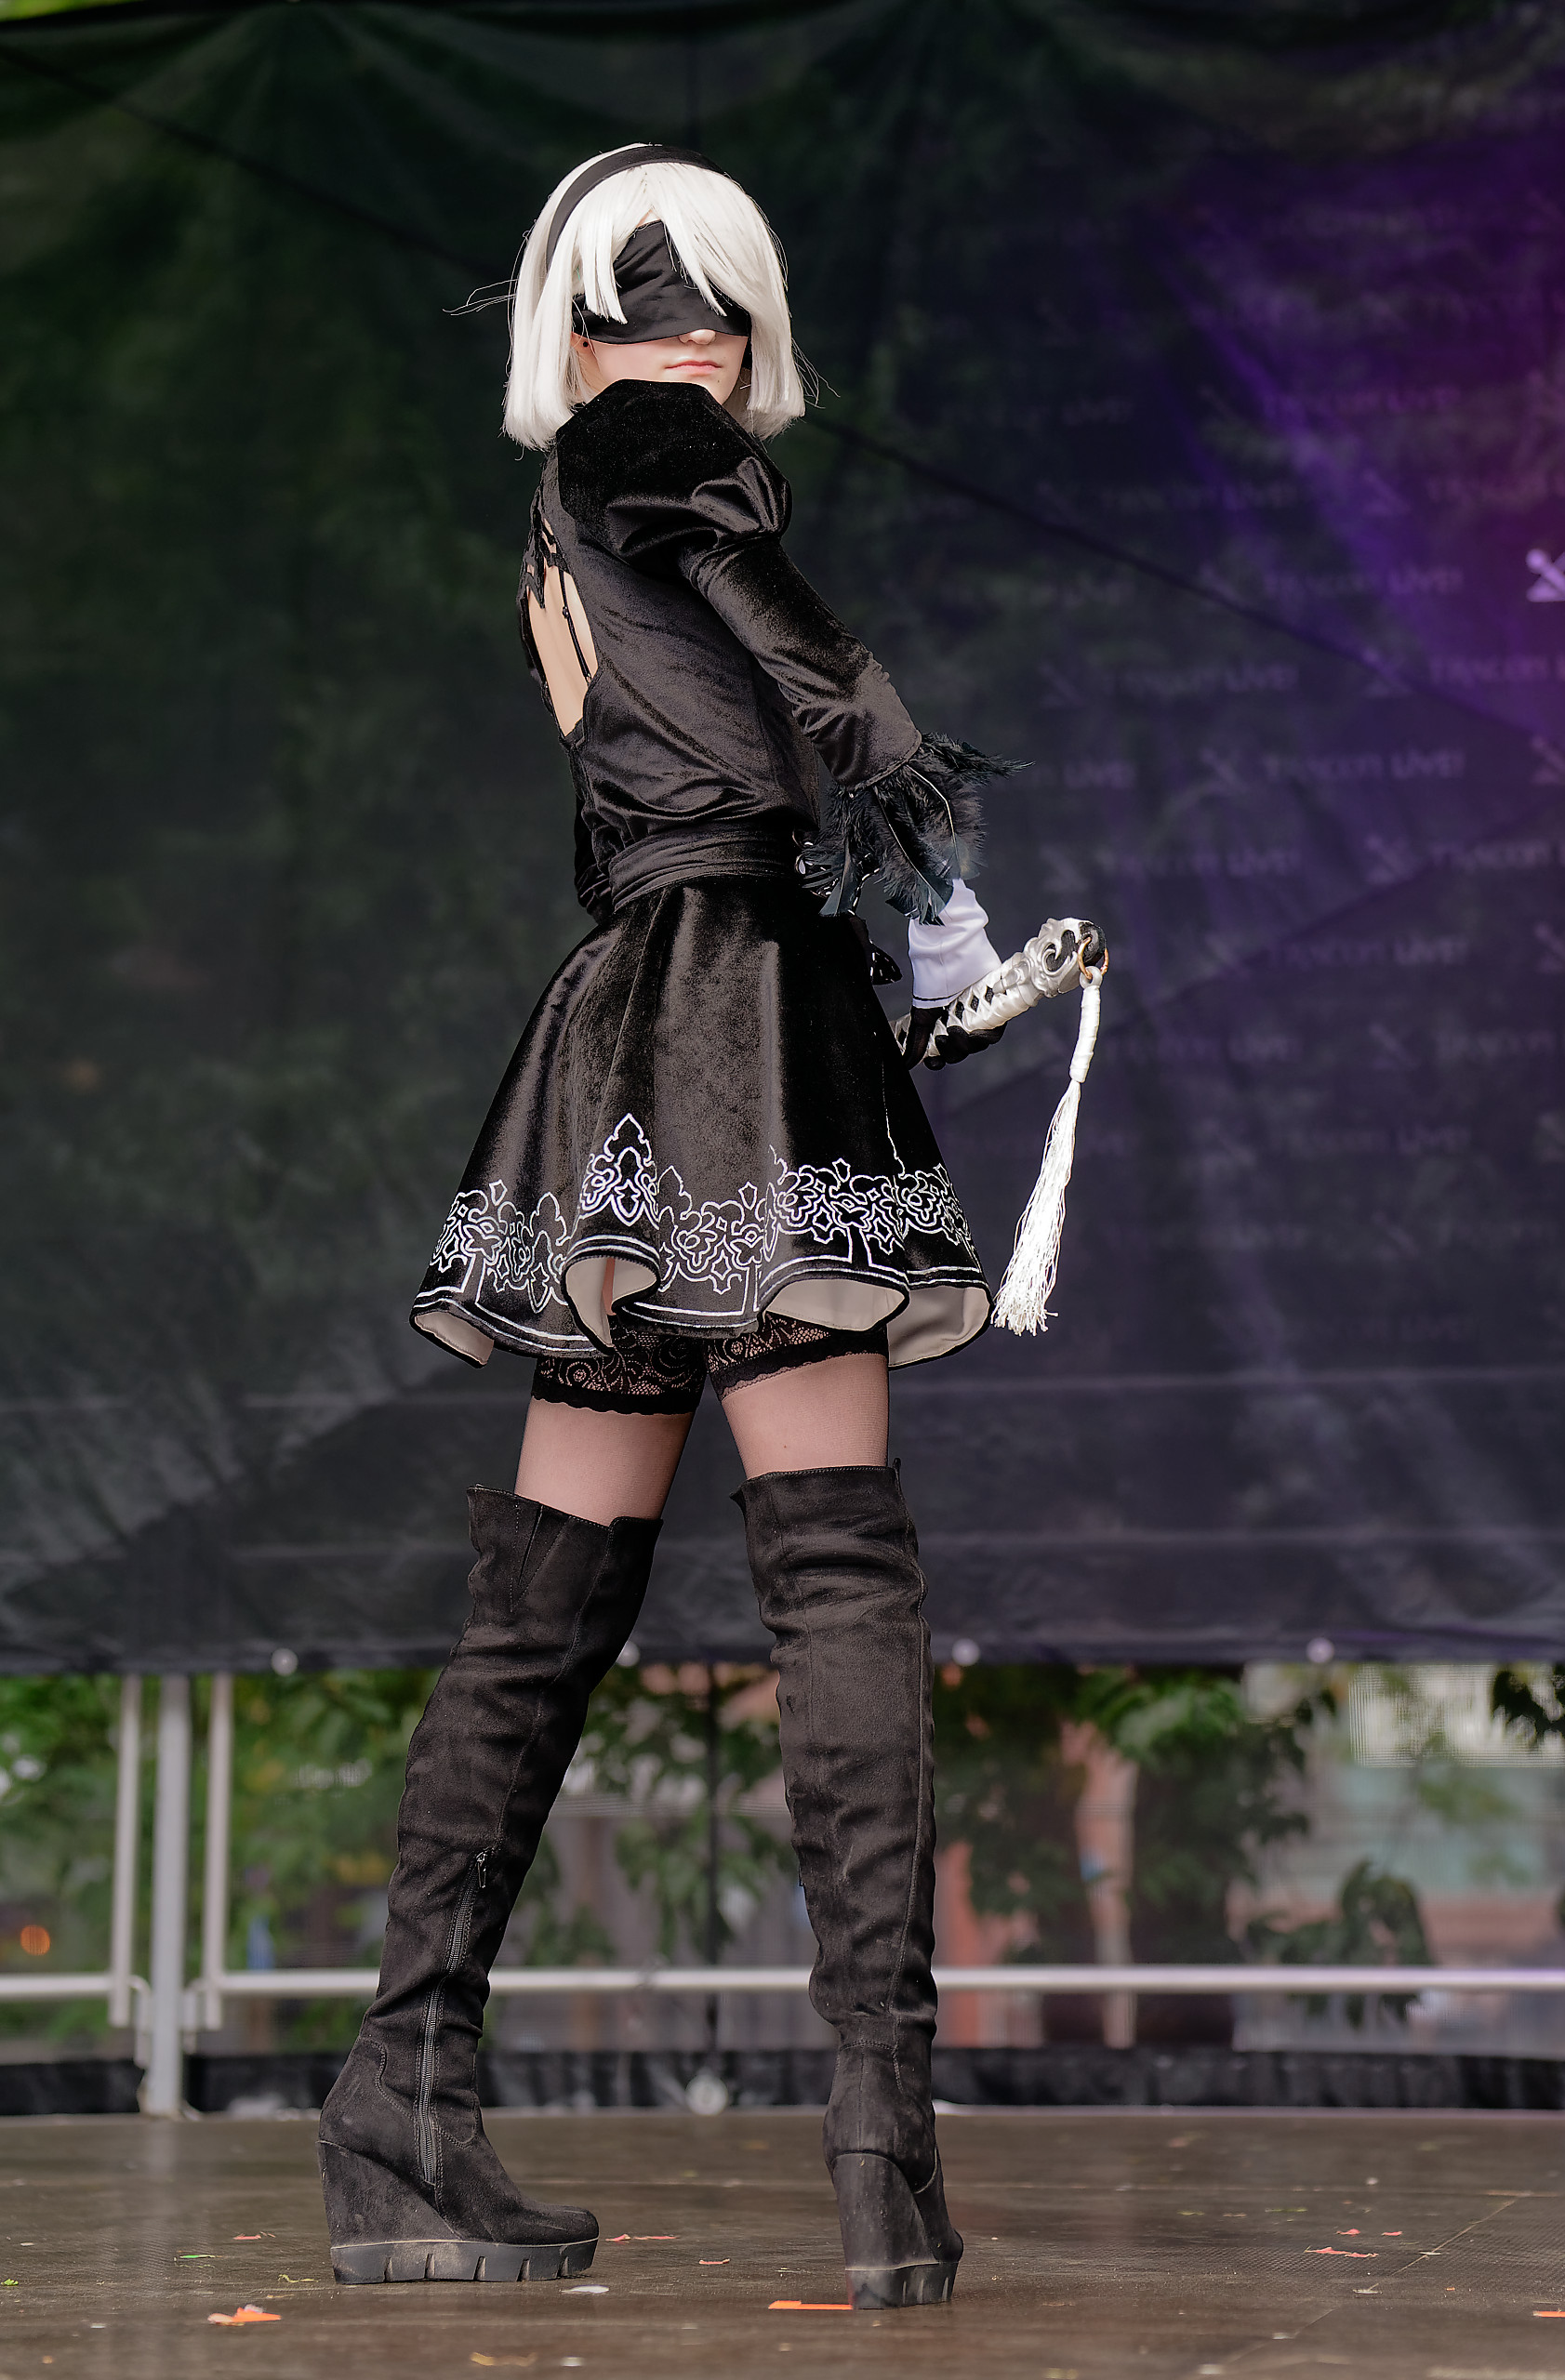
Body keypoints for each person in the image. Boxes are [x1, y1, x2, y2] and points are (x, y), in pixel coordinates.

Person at [317, 141, 1011, 2311]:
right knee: (832, 1560)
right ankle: (879, 2142)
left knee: (551, 1586)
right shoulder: (645, 446)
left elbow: (682, 729)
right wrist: (906, 801)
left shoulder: (576, 491)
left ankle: (397, 2102)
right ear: (579, 327)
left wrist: (880, 894)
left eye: (705, 304)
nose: (676, 341)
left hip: (639, 1017)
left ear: (747, 314)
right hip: (731, 1017)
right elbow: (781, 638)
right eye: (637, 306)